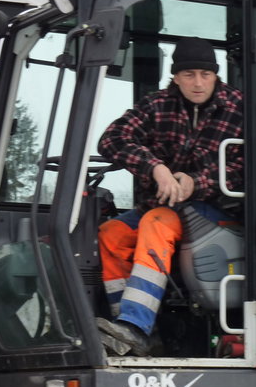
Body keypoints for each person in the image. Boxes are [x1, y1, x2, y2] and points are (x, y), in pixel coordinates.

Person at [95, 36, 244, 356]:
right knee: (111, 233)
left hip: (214, 209)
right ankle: (129, 331)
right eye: (189, 74)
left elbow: (248, 167)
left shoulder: (239, 108)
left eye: (205, 74)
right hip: (163, 206)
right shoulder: (156, 105)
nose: (198, 83)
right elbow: (111, 139)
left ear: (216, 75)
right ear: (175, 77)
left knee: (155, 222)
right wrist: (155, 168)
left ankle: (135, 326)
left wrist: (196, 182)